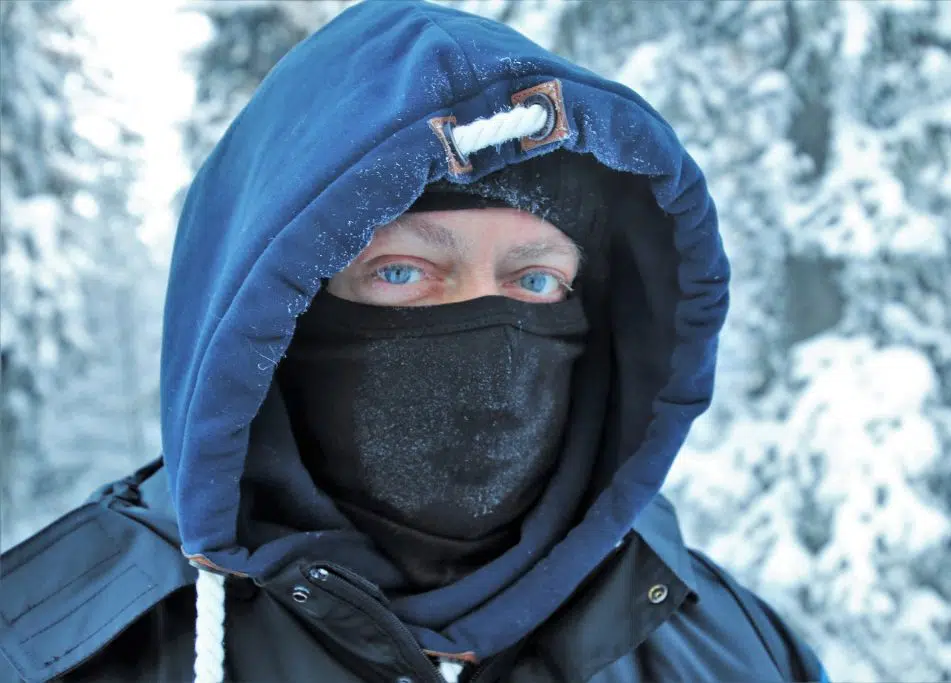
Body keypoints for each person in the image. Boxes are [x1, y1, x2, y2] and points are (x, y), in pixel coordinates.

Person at [0, 2, 830, 682]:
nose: (493, 339)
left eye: (535, 281)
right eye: (403, 272)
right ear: (273, 316)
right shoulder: (52, 647)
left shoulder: (733, 648)